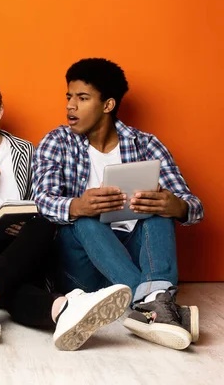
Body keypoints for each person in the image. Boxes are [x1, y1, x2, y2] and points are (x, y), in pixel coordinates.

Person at [0, 76, 131, 350]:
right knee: (10, 284)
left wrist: (23, 222)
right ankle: (64, 307)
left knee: (41, 223)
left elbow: (41, 204)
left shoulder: (25, 151)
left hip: (23, 251)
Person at [33, 58, 204, 350]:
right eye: (69, 97)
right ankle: (155, 303)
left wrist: (175, 206)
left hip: (135, 259)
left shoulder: (146, 144)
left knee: (157, 212)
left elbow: (194, 206)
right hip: (81, 267)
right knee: (86, 220)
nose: (71, 106)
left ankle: (149, 302)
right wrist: (78, 206)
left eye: (82, 98)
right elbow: (41, 200)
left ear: (108, 105)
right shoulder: (57, 141)